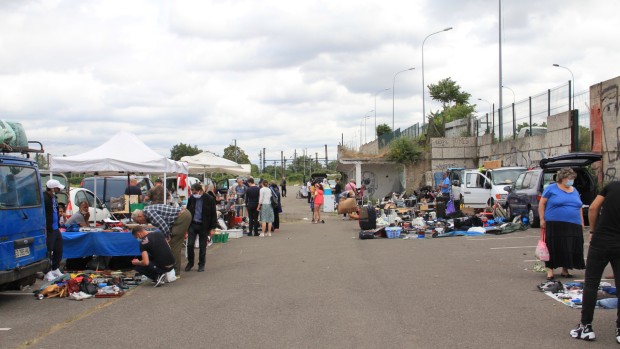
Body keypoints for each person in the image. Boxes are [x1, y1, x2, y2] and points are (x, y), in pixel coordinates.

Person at [569, 181, 620, 342]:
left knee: (591, 283)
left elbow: (592, 208)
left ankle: (586, 326)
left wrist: (593, 230)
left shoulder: (612, 186)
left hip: (601, 240)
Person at [538, 167, 585, 280]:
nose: (571, 180)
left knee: (569, 246)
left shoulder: (574, 190)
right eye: (569, 178)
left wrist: (582, 222)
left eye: (572, 178)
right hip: (555, 223)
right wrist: (541, 219)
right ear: (562, 178)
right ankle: (550, 271)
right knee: (554, 246)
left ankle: (565, 270)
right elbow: (542, 204)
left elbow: (579, 207)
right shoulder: (551, 188)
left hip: (574, 223)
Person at [131, 204, 191, 276]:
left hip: (182, 216)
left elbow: (163, 225)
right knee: (172, 244)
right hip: (180, 216)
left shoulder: (149, 213)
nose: (140, 224)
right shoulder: (148, 212)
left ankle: (175, 273)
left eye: (138, 221)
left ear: (140, 215)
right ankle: (171, 270)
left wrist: (166, 237)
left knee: (174, 245)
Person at [185, 183, 217, 272]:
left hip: (204, 225)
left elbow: (213, 214)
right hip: (193, 224)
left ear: (200, 190)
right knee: (190, 244)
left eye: (194, 191)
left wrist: (213, 228)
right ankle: (190, 263)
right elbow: (187, 211)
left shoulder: (209, 199)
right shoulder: (192, 198)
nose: (193, 193)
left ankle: (201, 264)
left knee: (202, 246)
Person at [43, 179, 64, 281]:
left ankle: (55, 268)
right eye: (57, 188)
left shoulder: (53, 198)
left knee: (58, 249)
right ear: (52, 189)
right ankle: (47, 271)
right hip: (49, 228)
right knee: (48, 250)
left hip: (56, 228)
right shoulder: (45, 198)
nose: (59, 189)